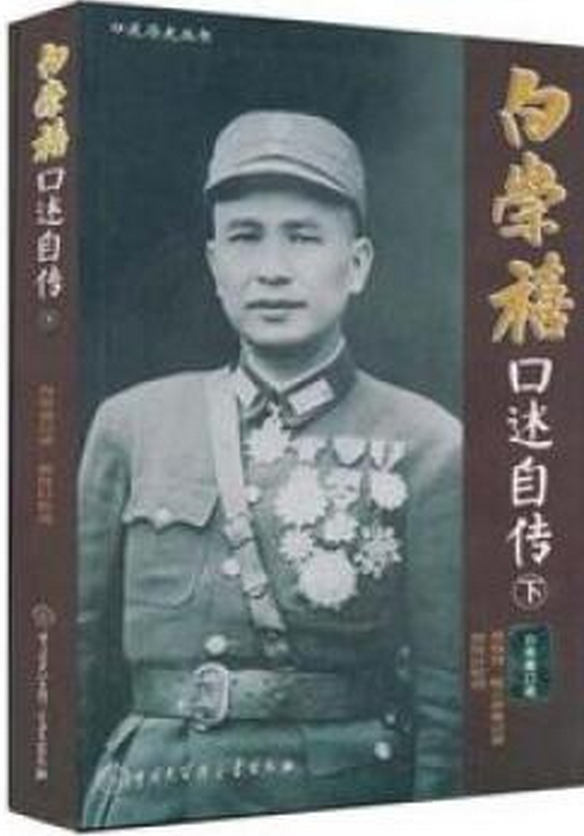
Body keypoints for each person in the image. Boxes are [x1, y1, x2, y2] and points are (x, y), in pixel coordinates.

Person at [78, 110, 463, 828]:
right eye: (245, 237)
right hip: (151, 800)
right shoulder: (131, 424)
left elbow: (451, 706)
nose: (273, 269)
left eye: (304, 237)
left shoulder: (428, 443)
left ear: (358, 264)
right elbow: (67, 667)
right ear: (214, 264)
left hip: (339, 797)